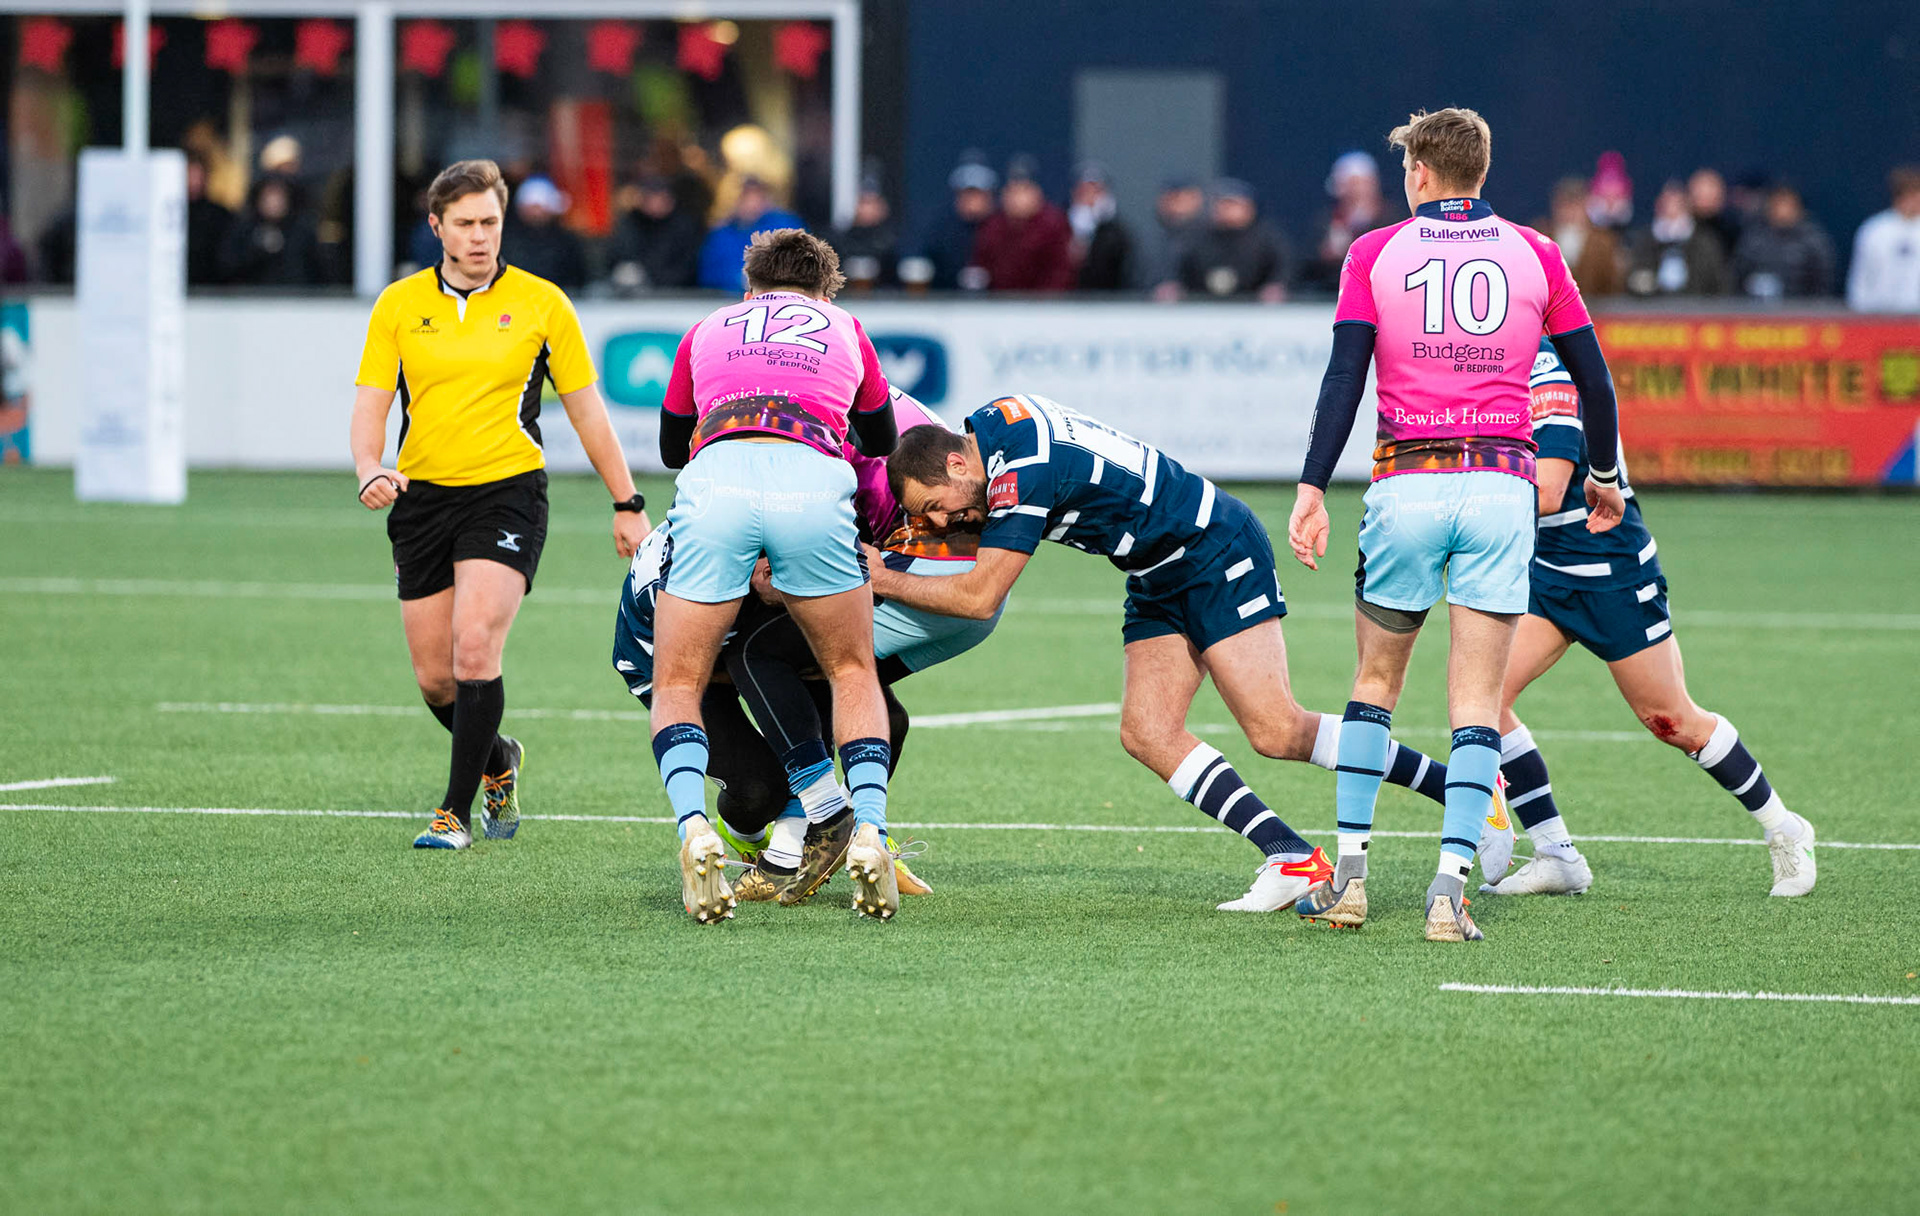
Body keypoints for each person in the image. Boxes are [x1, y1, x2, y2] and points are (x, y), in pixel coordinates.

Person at [874, 395, 1477, 912]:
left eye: (935, 505)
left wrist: (881, 576)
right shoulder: (993, 425)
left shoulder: (1019, 473)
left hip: (1212, 548)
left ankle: (1467, 791)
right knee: (1148, 731)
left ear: (957, 463)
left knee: (1276, 729)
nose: (941, 522)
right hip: (1156, 568)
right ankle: (1290, 857)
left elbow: (979, 598)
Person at [1287, 107, 1625, 942]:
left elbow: (1343, 379)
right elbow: (1594, 381)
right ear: (1482, 171)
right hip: (1502, 490)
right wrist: (1603, 475)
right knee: (1476, 702)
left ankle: (1352, 879)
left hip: (1408, 485)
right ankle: (1448, 893)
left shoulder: (1375, 252)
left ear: (1420, 173)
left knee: (1374, 686)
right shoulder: (1536, 252)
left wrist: (1311, 487)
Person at [350, 158, 651, 850]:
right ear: (437, 227)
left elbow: (588, 411)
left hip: (507, 493)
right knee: (436, 681)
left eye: (490, 221)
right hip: (422, 500)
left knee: (476, 645)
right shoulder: (398, 305)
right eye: (465, 223)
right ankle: (498, 760)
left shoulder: (544, 303)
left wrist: (627, 501)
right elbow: (371, 403)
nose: (480, 235)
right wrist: (370, 467)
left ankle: (454, 814)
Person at [611, 390, 991, 906]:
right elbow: (710, 666)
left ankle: (850, 832)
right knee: (758, 789)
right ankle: (759, 837)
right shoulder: (704, 568)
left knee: (874, 710)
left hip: (740, 631)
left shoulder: (785, 527)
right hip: (669, 664)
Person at [1478, 336, 1818, 900]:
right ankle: (1556, 856)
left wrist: (1454, 507)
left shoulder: (1546, 368)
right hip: (1547, 572)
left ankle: (1785, 829)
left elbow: (1548, 491)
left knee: (1673, 721)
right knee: (1483, 701)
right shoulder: (1484, 364)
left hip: (1611, 573)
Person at [653, 229, 900, 923]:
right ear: (825, 291)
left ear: (749, 288)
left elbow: (672, 447)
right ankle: (869, 828)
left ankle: (694, 829)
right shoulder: (846, 328)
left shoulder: (707, 328)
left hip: (720, 481)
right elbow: (882, 440)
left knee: (678, 682)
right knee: (851, 671)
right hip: (811, 480)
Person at [970, 156, 1075, 293]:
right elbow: (982, 268)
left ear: (1037, 193)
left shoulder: (1054, 224)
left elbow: (1061, 272)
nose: (1018, 199)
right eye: (1013, 191)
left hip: (1044, 302)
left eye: (1024, 190)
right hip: (1000, 302)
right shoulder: (993, 225)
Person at [1177, 179, 1289, 301]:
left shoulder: (1266, 237)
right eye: (1221, 204)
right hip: (1202, 302)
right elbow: (1178, 265)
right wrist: (1174, 284)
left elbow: (1283, 265)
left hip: (1253, 304)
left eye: (1233, 204)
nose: (1226, 209)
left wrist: (1276, 285)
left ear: (1249, 208)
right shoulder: (1197, 235)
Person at [1302, 151, 1395, 294]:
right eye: (1350, 185)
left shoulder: (1392, 220)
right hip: (1331, 293)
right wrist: (1325, 255)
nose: (1357, 191)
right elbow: (1307, 265)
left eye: (1360, 184)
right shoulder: (1326, 222)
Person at [1625, 179, 1731, 297]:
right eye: (1666, 205)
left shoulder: (1704, 241)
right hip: (1653, 305)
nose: (1672, 210)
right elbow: (1634, 278)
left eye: (1678, 205)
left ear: (1687, 207)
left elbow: (1718, 281)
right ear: (1658, 207)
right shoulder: (1645, 240)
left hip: (1696, 303)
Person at [695, 177, 803, 291]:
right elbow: (707, 274)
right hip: (727, 297)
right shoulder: (720, 235)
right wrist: (738, 280)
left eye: (756, 196)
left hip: (779, 295)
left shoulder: (786, 226)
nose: (751, 202)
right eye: (745, 196)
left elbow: (802, 264)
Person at [219, 174, 325, 287]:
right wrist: (256, 249)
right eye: (268, 197)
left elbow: (317, 270)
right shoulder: (243, 230)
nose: (274, 203)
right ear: (258, 199)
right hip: (252, 295)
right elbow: (227, 267)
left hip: (295, 294)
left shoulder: (303, 232)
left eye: (279, 197)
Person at [1733, 184, 1835, 299]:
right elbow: (1739, 274)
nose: (1782, 210)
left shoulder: (1813, 240)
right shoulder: (1754, 237)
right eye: (1777, 205)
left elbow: (1822, 282)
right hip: (1756, 306)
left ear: (1798, 208)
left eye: (1787, 205)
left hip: (1800, 306)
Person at [606, 173, 704, 293]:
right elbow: (617, 257)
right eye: (650, 198)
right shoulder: (630, 223)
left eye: (660, 198)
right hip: (636, 294)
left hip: (678, 294)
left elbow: (689, 265)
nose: (655, 203)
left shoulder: (685, 226)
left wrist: (654, 279)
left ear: (671, 200)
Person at [917, 154, 999, 290]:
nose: (973, 200)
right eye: (968, 193)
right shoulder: (941, 232)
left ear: (989, 196)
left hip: (998, 301)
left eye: (978, 194)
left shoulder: (1002, 229)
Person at [1846, 166, 1920, 313]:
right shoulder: (1875, 229)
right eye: (1910, 195)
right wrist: (1859, 307)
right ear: (1899, 197)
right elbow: (1861, 275)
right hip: (1878, 313)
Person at [1540, 177, 1625, 297]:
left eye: (1576, 206)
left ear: (1586, 206)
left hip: (1593, 306)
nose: (1570, 213)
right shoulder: (1540, 237)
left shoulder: (1603, 241)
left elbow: (1612, 285)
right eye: (1564, 206)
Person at [504, 176, 587, 291]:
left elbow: (578, 278)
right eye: (531, 207)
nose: (536, 213)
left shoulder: (566, 242)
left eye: (540, 207)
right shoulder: (507, 241)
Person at [1069, 162, 1133, 291]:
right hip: (1068, 299)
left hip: (1107, 299)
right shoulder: (1061, 229)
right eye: (1084, 191)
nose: (1090, 198)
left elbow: (1124, 273)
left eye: (1096, 192)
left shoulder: (1118, 233)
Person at [829, 173, 901, 289]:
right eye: (863, 202)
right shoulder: (841, 240)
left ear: (883, 207)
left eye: (872, 203)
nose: (867, 209)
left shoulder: (891, 241)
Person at [1145, 177, 1206, 299]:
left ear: (1198, 200)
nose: (1178, 203)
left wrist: (1185, 290)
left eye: (1185, 197)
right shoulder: (1148, 237)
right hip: (1146, 305)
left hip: (1200, 306)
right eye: (1172, 197)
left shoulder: (1211, 238)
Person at [184, 156, 233, 286]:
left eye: (198, 176)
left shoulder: (220, 214)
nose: (194, 182)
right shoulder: (171, 214)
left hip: (211, 286)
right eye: (190, 175)